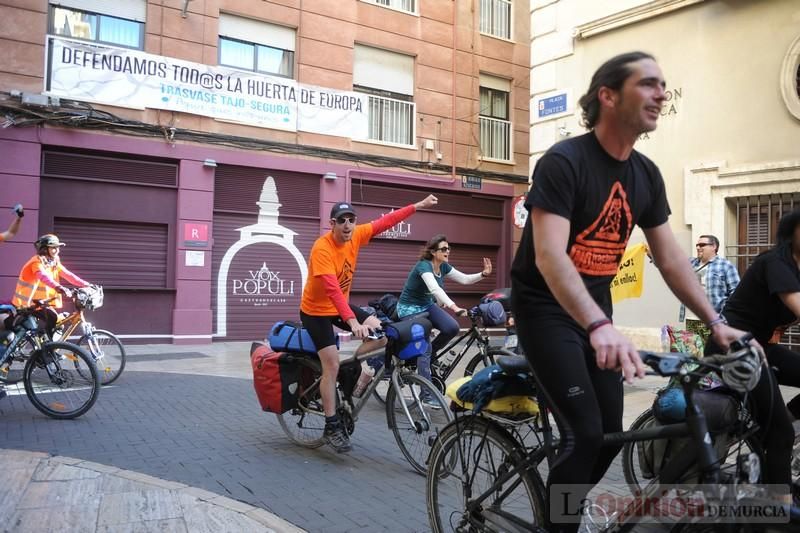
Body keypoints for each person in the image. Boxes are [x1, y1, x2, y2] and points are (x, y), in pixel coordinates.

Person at [509, 51, 755, 531]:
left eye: (663, 84)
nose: (661, 94)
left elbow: (670, 259)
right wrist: (599, 325)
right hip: (546, 310)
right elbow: (549, 256)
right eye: (648, 84)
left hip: (595, 311)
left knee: (608, 435)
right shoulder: (564, 161)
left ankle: (562, 510)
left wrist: (716, 322)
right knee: (583, 434)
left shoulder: (645, 174)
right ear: (608, 95)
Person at [300, 195, 439, 453]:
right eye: (341, 220)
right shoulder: (322, 248)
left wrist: (418, 206)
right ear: (332, 223)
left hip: (339, 305)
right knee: (330, 363)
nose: (347, 225)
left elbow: (386, 222)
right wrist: (353, 321)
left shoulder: (357, 236)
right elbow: (332, 290)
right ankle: (331, 425)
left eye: (351, 220)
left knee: (383, 334)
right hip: (316, 311)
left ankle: (350, 370)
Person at [706, 208, 800, 459]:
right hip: (731, 347)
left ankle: (765, 427)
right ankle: (775, 499)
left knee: (776, 426)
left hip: (761, 346)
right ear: (791, 234)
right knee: (782, 436)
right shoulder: (775, 262)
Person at [395, 234, 492, 404]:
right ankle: (426, 395)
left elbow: (464, 279)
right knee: (424, 347)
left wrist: (483, 274)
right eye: (444, 249)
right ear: (433, 252)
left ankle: (426, 358)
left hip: (426, 306)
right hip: (409, 309)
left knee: (451, 328)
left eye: (448, 248)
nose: (448, 251)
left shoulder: (444, 267)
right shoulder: (423, 266)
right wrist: (455, 307)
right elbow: (435, 289)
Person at [12, 234, 91, 337]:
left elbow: (67, 274)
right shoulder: (36, 262)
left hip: (41, 302)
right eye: (53, 248)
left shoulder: (53, 261)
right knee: (52, 318)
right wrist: (59, 287)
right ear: (44, 249)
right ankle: (47, 348)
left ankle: (45, 344)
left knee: (55, 322)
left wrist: (86, 284)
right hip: (27, 303)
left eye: (57, 247)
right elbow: (43, 276)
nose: (57, 250)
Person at [679, 234, 740, 340]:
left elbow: (736, 294)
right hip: (692, 319)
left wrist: (724, 316)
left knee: (713, 353)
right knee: (695, 352)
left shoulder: (725, 265)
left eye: (702, 245)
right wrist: (652, 255)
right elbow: (671, 265)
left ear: (714, 247)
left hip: (715, 320)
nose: (698, 247)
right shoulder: (690, 263)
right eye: (697, 245)